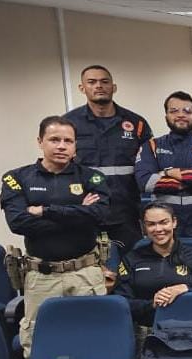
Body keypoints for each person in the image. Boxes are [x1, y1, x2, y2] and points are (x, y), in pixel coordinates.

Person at [1, 116, 110, 359]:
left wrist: (44, 211)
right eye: (54, 139)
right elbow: (18, 222)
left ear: (75, 146)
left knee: (94, 337)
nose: (62, 146)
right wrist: (77, 212)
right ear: (40, 142)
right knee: (38, 338)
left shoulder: (91, 178)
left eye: (68, 141)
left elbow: (99, 215)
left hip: (85, 274)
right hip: (41, 276)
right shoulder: (17, 178)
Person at [135, 91, 192, 265]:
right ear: (166, 115)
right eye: (174, 111)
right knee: (165, 274)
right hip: (163, 222)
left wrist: (167, 172)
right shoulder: (152, 146)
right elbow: (145, 182)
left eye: (187, 111)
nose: (181, 115)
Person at [64, 64, 151, 250]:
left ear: (114, 87)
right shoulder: (68, 123)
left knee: (129, 268)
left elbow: (148, 166)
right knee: (88, 269)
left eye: (104, 82)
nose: (99, 86)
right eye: (92, 82)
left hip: (126, 211)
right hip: (85, 210)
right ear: (82, 88)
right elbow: (60, 166)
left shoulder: (136, 123)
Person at [114, 203, 192, 329]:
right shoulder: (131, 259)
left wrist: (186, 290)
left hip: (189, 329)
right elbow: (121, 302)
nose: (158, 229)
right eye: (151, 224)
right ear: (144, 227)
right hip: (144, 331)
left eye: (164, 222)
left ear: (174, 222)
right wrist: (152, 304)